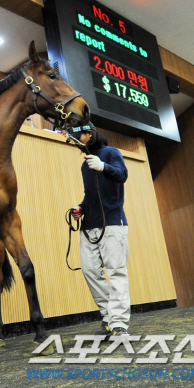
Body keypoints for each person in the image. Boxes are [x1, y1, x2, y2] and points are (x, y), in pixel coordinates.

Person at [70, 122, 130, 336]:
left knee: (116, 272)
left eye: (78, 137)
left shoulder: (111, 153)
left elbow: (122, 175)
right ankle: (108, 318)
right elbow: (91, 193)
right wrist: (81, 208)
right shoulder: (85, 164)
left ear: (89, 133)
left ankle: (119, 323)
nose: (76, 142)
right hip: (89, 226)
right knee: (90, 272)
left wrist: (104, 167)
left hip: (112, 223)